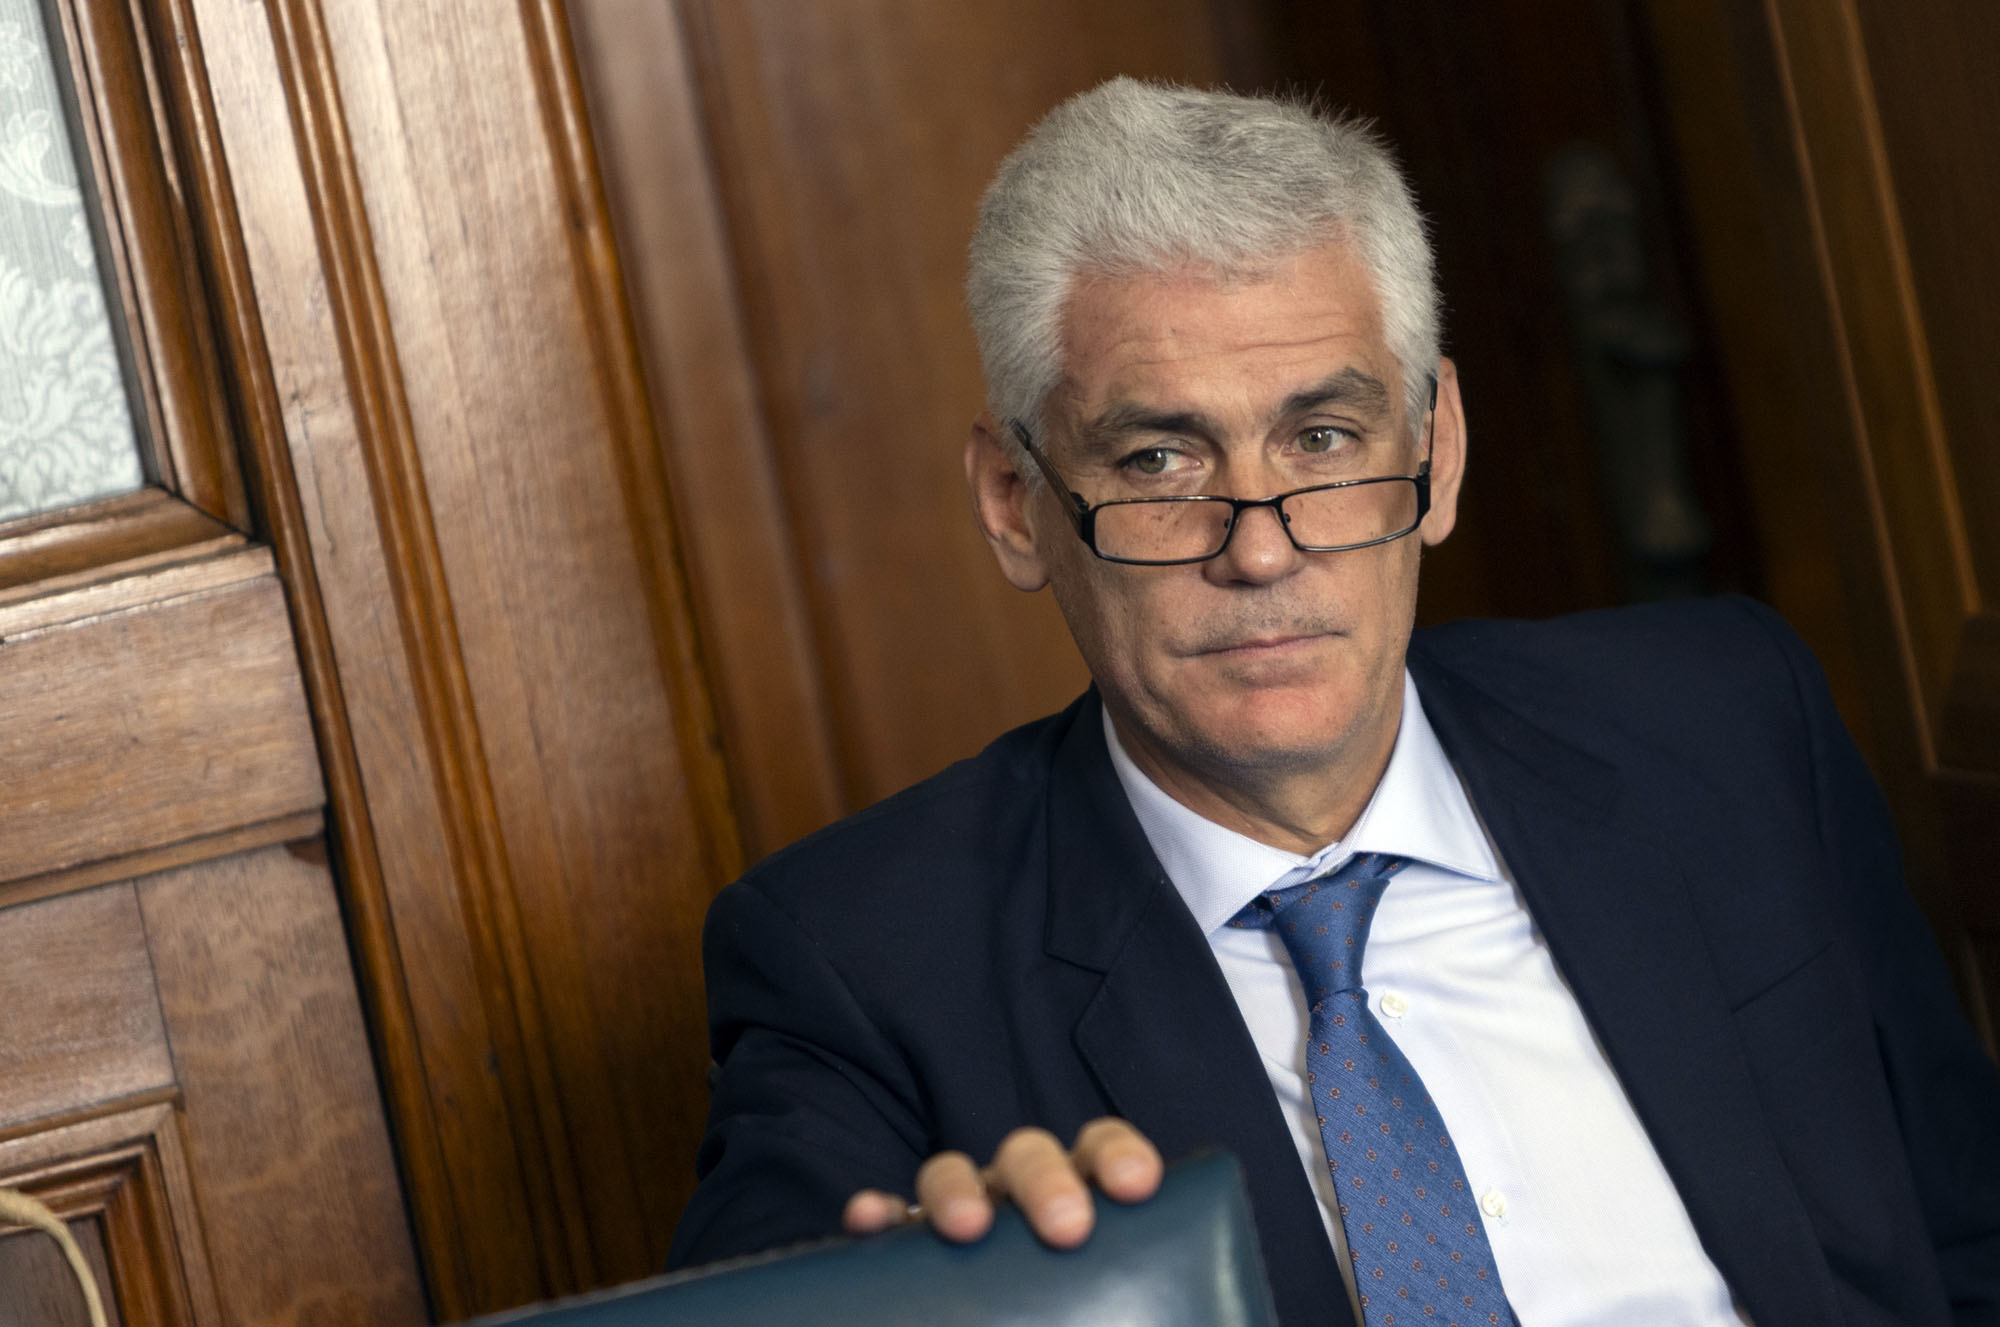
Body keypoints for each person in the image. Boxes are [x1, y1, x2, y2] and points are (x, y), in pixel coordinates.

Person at [665, 79, 2000, 1326]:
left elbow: (1968, 1233)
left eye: (1321, 439)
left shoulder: (1726, 723)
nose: (1260, 549)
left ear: (1438, 450)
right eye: (1159, 458)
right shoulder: (863, 965)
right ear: (1017, 504)